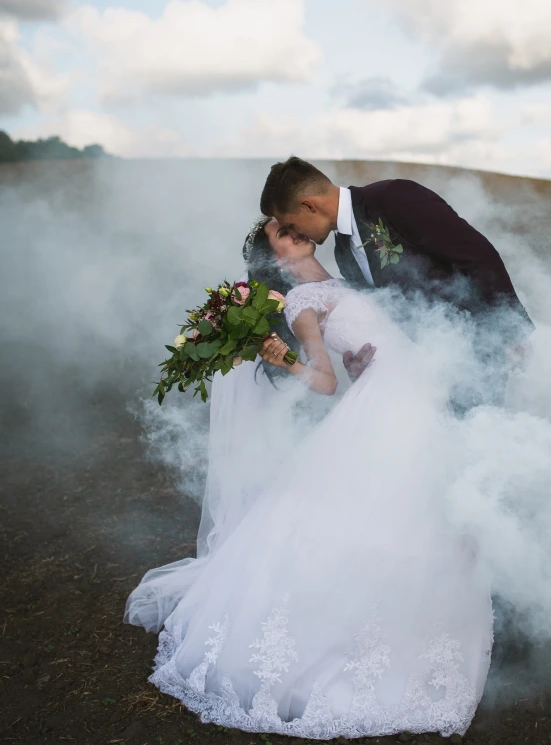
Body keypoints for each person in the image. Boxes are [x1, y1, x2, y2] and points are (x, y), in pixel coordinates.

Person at [124, 215, 494, 739]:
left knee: (429, 513)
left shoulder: (344, 275)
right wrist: (288, 363)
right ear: (276, 257)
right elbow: (324, 382)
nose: (292, 229)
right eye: (280, 231)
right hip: (383, 409)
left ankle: (421, 622)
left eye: (291, 223)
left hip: (417, 393)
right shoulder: (301, 303)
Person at [260, 156, 534, 407]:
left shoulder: (393, 197)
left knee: (478, 442)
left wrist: (510, 330)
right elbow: (384, 311)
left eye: (292, 225)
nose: (298, 234)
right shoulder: (342, 252)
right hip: (424, 372)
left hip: (472, 350)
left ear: (309, 205)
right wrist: (362, 363)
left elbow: (476, 254)